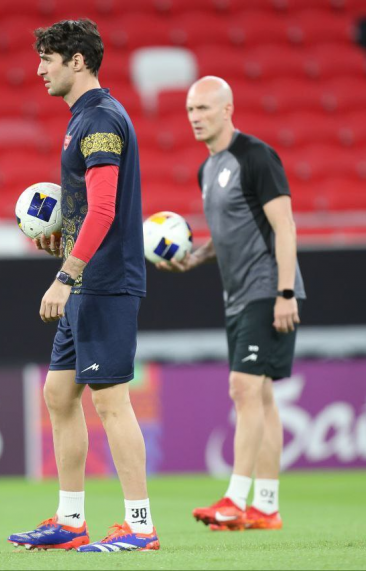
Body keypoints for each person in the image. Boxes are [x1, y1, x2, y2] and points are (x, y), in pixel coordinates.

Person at [7, 19, 159, 553]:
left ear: (77, 61)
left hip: (104, 284)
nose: (39, 69)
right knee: (57, 394)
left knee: (111, 401)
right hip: (88, 282)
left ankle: (140, 526)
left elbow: (104, 207)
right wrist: (67, 245)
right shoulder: (84, 118)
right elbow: (90, 211)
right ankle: (71, 521)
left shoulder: (99, 120)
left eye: (47, 59)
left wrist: (65, 275)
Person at [157, 76, 306, 532]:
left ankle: (235, 499)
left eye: (204, 108)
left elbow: (285, 226)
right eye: (190, 110)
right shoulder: (207, 170)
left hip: (267, 290)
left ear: (227, 109)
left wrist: (285, 293)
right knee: (261, 397)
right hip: (237, 296)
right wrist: (195, 257)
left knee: (243, 388)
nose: (195, 117)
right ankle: (267, 506)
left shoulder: (255, 156)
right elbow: (229, 233)